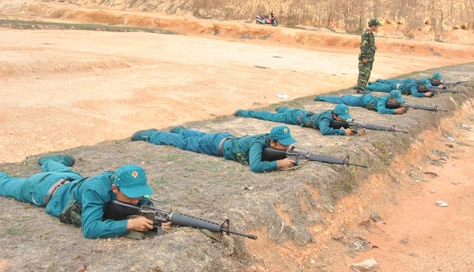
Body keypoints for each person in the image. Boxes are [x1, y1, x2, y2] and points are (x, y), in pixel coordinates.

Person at [0, 155, 170, 239]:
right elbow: (90, 229)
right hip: (44, 187)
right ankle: (49, 163)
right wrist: (130, 223)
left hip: (72, 178)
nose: (136, 200)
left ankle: (49, 160)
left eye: (138, 193)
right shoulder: (94, 189)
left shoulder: (132, 186)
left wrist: (156, 219)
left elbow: (145, 204)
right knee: (6, 184)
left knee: (57, 167)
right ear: (114, 188)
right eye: (130, 196)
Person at [131, 125, 298, 173]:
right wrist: (279, 164)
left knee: (197, 137)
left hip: (223, 138)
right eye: (284, 144)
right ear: (273, 142)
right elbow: (255, 166)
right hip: (215, 145)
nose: (286, 147)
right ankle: (151, 135)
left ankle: (180, 129)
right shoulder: (258, 144)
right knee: (184, 142)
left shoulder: (267, 140)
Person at [234, 104, 365, 136]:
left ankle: (281, 108)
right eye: (342, 118)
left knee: (285, 111)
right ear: (335, 115)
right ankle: (245, 112)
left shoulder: (332, 115)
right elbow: (324, 131)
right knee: (270, 116)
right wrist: (343, 133)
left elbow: (340, 125)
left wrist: (354, 130)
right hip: (294, 118)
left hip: (301, 113)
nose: (344, 120)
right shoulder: (326, 118)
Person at [315, 90, 407, 115]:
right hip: (364, 101)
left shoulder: (389, 100)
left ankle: (346, 96)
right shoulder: (383, 99)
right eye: (396, 101)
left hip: (369, 97)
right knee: (344, 101)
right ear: (391, 99)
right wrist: (395, 111)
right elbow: (381, 110)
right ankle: (323, 97)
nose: (397, 102)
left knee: (349, 98)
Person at [355, 18, 382, 94]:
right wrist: (364, 57)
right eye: (376, 26)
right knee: (363, 73)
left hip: (369, 58)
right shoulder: (366, 34)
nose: (377, 28)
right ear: (373, 26)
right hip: (366, 58)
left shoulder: (370, 34)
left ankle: (362, 87)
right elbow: (363, 47)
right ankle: (360, 88)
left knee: (367, 73)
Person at [366, 78, 434, 97]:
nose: (425, 88)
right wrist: (424, 94)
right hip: (395, 88)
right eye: (424, 86)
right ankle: (367, 87)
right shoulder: (414, 86)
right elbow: (415, 94)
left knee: (382, 86)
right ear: (421, 85)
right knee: (380, 88)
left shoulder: (417, 84)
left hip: (397, 86)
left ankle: (373, 83)